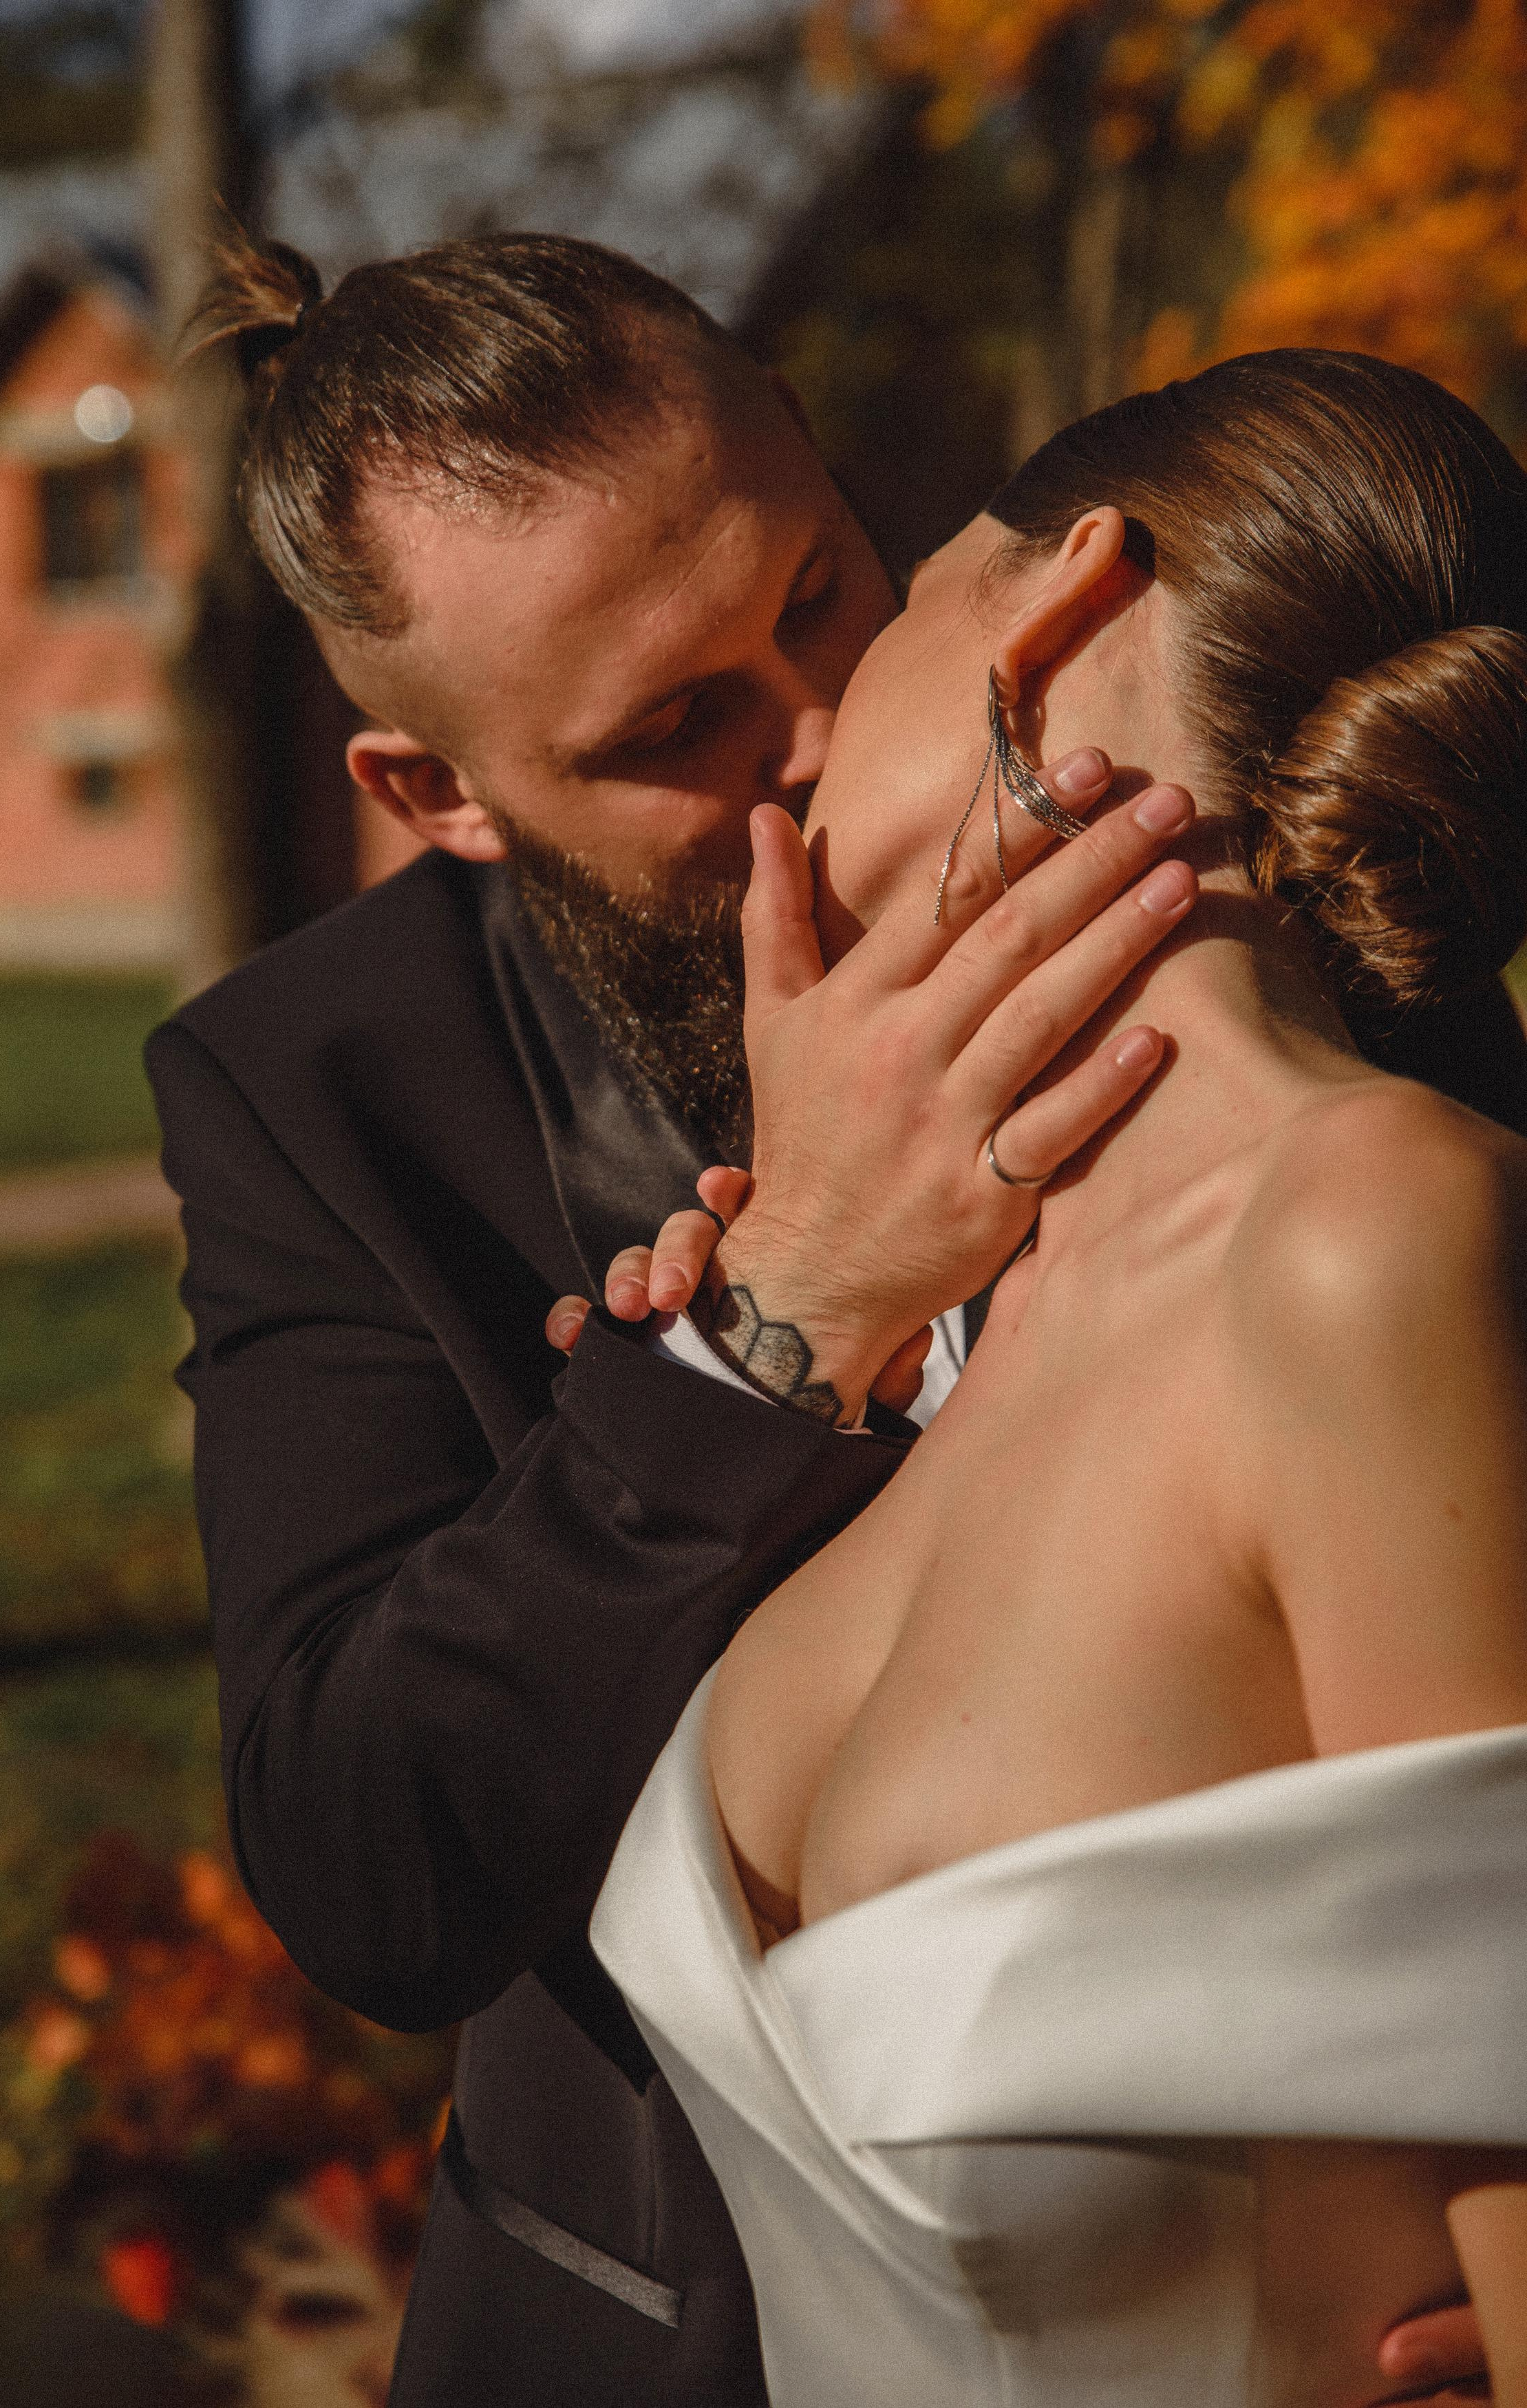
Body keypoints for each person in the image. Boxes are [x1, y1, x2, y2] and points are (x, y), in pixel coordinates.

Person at [149, 228, 1504, 2405]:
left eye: (817, 596)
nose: (812, 729)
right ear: (442, 796)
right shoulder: (324, 1092)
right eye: (674, 727)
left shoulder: (1316, 990)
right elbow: (366, 1867)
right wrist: (768, 1329)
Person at [590, 350, 1527, 2406]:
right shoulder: (940, 1357)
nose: (801, 737)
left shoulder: (1366, 1233)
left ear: (1065, 608)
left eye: (891, 600)